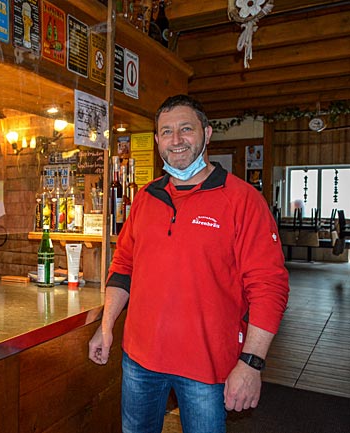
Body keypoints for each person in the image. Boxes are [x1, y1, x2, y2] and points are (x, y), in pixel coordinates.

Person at [88, 94, 289, 433]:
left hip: (207, 367)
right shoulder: (145, 198)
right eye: (166, 132)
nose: (176, 140)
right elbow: (123, 267)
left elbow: (269, 287)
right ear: (156, 141)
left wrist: (251, 363)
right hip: (139, 360)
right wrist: (106, 326)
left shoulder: (242, 200)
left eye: (186, 129)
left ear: (207, 134)